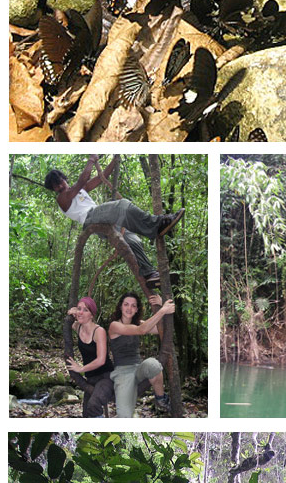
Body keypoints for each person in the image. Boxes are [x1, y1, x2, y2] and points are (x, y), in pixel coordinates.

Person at [44, 155, 185, 297]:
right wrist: (91, 160)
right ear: (53, 189)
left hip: (101, 217)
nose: (60, 186)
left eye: (60, 182)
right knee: (122, 205)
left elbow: (102, 176)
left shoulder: (81, 190)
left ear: (64, 178)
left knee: (133, 239)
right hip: (91, 218)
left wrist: (115, 159)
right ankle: (158, 223)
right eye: (56, 186)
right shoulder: (62, 198)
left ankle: (149, 274)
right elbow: (81, 181)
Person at [108, 292, 175, 418]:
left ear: (137, 309)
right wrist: (162, 311)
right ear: (120, 307)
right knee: (124, 415)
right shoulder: (114, 325)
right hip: (122, 372)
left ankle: (160, 398)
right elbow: (141, 330)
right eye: (126, 304)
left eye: (133, 306)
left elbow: (163, 329)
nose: (129, 308)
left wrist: (162, 306)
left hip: (138, 368)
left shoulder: (139, 323)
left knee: (153, 364)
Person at [65, 297, 114, 418]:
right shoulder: (78, 327)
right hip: (91, 379)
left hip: (106, 377)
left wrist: (81, 369)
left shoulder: (99, 331)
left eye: (85, 310)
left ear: (92, 315)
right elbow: (71, 319)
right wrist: (72, 311)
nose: (81, 312)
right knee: (86, 413)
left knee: (93, 405)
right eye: (79, 309)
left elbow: (101, 360)